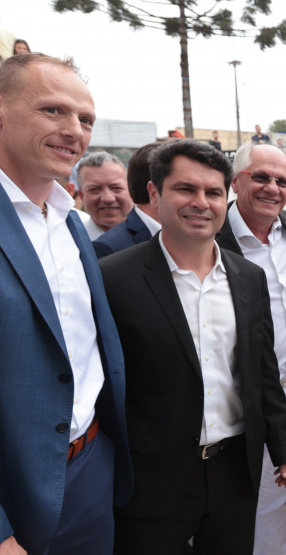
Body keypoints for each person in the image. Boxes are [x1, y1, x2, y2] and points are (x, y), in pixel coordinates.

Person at [99, 140, 286, 554]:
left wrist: (282, 442)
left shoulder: (248, 277)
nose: (201, 203)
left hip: (233, 469)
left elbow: (262, 368)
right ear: (154, 194)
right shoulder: (113, 278)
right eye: (185, 189)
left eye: (212, 192)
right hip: (153, 475)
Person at [0, 52, 132, 555]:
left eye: (86, 119)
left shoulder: (71, 224)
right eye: (53, 110)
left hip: (91, 469)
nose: (74, 130)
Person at [214, 142, 286, 555]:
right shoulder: (211, 233)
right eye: (260, 177)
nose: (272, 188)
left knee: (276, 498)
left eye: (282, 181)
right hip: (229, 397)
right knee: (226, 503)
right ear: (236, 181)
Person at [93, 143, 161, 258]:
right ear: (154, 191)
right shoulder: (109, 248)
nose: (201, 202)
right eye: (186, 188)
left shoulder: (189, 237)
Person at [77, 151, 135, 240]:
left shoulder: (155, 237)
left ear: (131, 191)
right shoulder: (71, 242)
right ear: (82, 196)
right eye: (94, 189)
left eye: (116, 188)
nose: (108, 198)